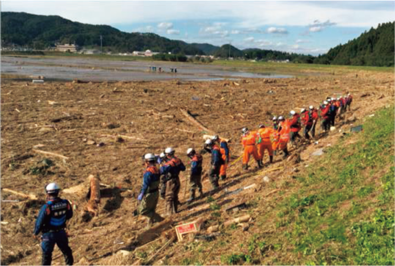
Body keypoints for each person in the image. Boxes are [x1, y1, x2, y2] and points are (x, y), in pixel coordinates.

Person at [34, 183, 74, 266]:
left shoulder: (47, 206)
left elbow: (40, 221)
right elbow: (70, 215)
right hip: (61, 232)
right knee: (66, 250)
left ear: (48, 193)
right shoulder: (65, 203)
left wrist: (36, 232)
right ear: (58, 192)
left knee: (47, 255)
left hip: (48, 235)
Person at [137, 153, 164, 227]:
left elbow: (145, 185)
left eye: (145, 161)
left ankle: (161, 220)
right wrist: (160, 162)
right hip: (156, 192)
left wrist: (142, 194)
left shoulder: (148, 172)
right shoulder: (157, 169)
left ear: (148, 162)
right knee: (152, 209)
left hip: (149, 194)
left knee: (143, 211)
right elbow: (163, 170)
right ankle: (150, 225)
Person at [160, 147, 186, 215]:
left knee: (169, 197)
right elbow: (183, 168)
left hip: (171, 180)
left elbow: (162, 171)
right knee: (175, 195)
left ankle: (168, 213)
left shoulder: (170, 163)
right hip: (176, 178)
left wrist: (161, 164)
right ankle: (175, 211)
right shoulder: (178, 160)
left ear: (167, 154)